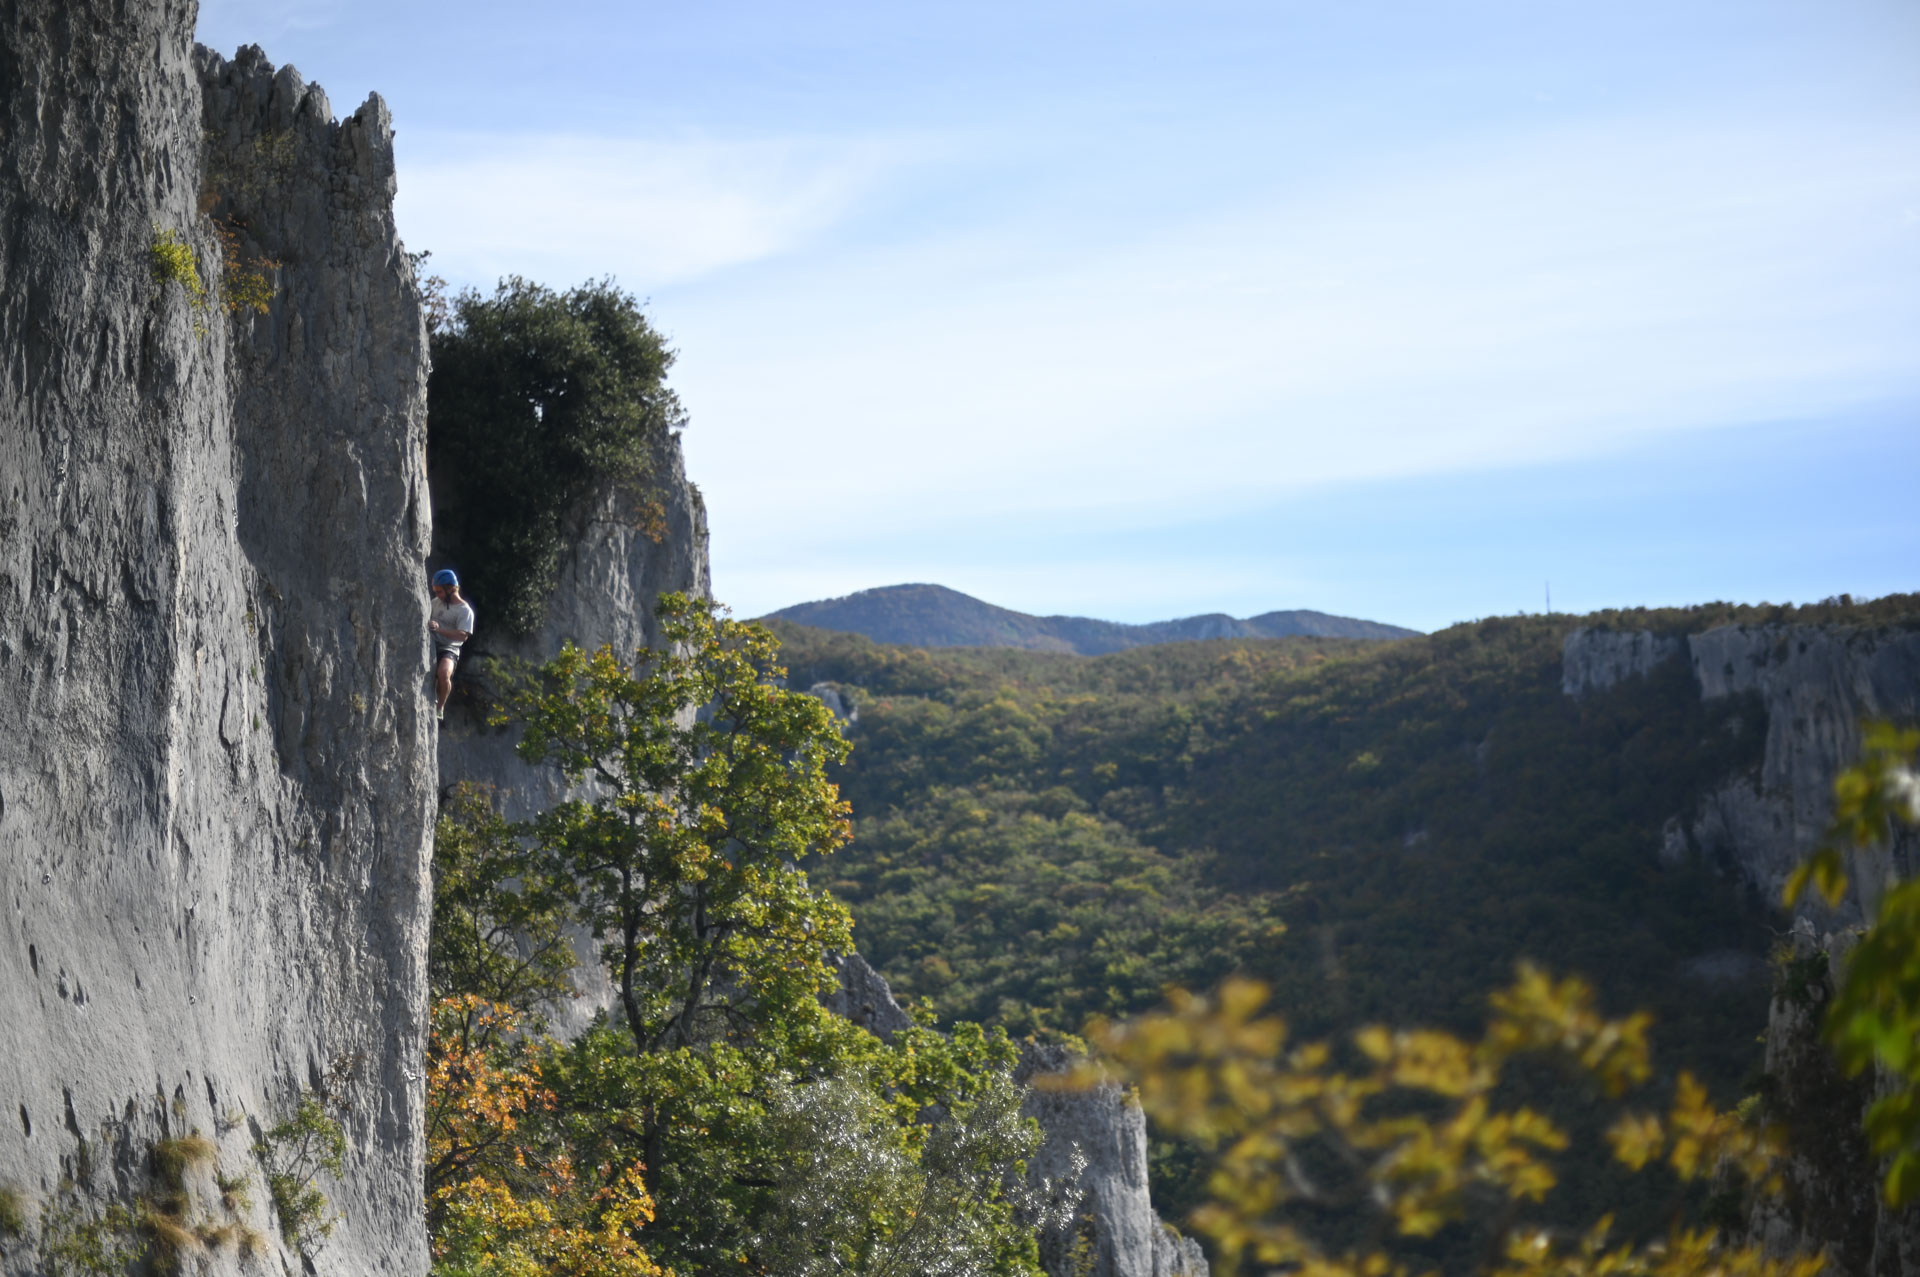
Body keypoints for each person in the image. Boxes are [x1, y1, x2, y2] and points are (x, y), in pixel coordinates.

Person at [428, 568, 475, 722]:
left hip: (450, 648)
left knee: (443, 673)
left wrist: (440, 630)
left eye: (440, 591)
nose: (437, 595)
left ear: (450, 589)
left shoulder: (464, 610)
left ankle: (440, 706)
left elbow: (463, 635)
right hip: (431, 642)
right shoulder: (436, 602)